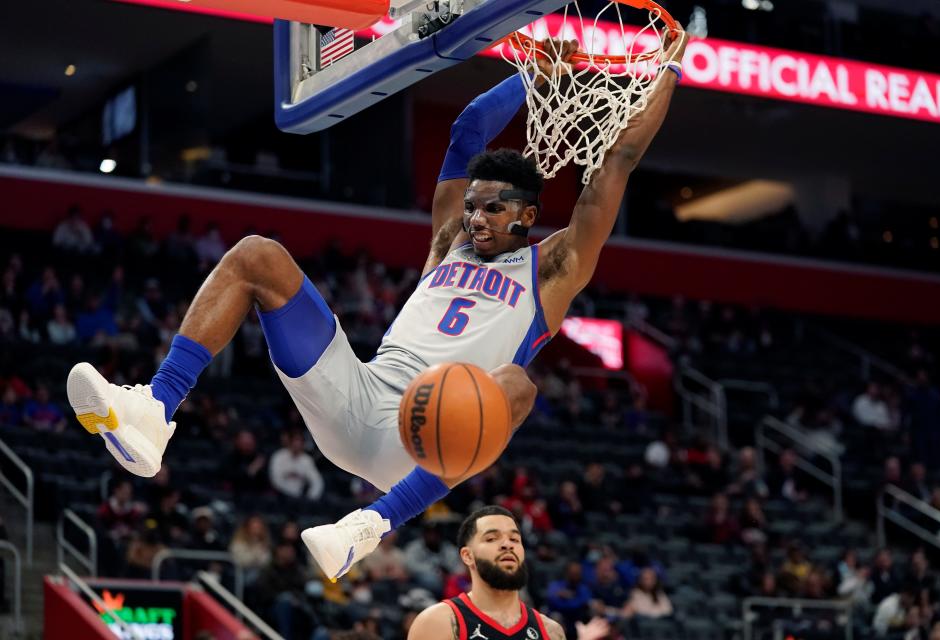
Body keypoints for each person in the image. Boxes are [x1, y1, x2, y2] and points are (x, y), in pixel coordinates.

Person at [65, 31, 689, 579]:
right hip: (356, 395)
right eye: (471, 204)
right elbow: (467, 128)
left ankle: (368, 526)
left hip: (424, 434)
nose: (474, 217)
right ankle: (155, 409)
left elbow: (619, 160)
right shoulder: (450, 243)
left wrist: (669, 70)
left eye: (491, 208)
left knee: (517, 384)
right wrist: (533, 76)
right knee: (258, 254)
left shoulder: (554, 268)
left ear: (528, 216)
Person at [408, 506, 609, 639]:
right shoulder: (438, 623)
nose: (507, 545)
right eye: (492, 538)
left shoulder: (550, 631)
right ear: (468, 556)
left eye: (514, 539)